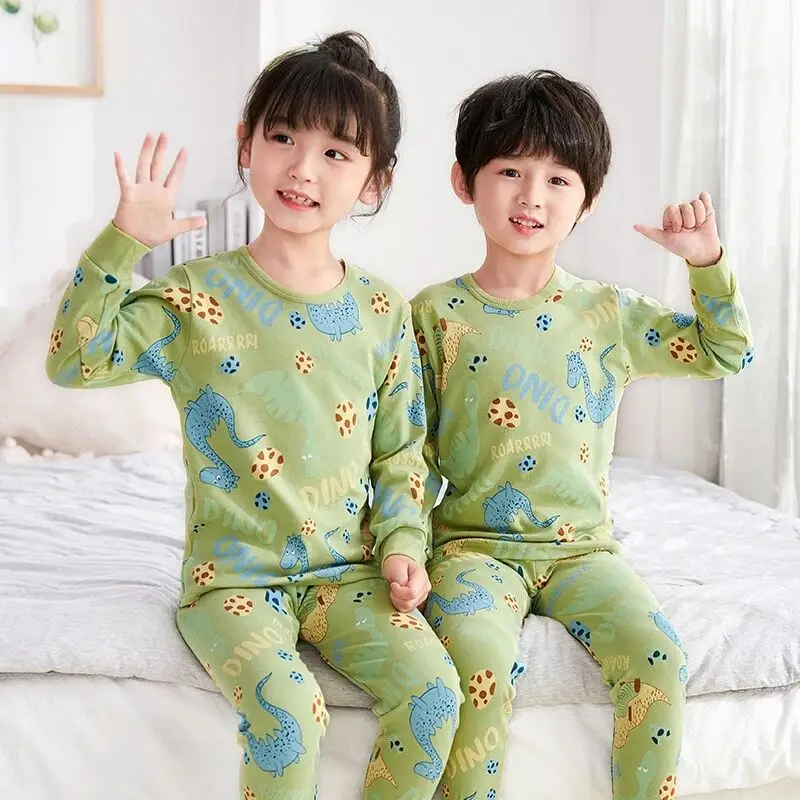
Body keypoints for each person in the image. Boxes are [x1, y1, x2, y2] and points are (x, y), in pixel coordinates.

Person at [46, 31, 461, 800]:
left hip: (347, 576)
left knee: (435, 692)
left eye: (337, 152)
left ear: (375, 181)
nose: (303, 168)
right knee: (290, 716)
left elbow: (402, 455)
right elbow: (74, 358)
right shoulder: (194, 297)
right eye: (283, 138)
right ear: (247, 143)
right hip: (230, 582)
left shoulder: (382, 311)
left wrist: (405, 544)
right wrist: (122, 243)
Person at [411, 69, 753, 800]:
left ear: (587, 201)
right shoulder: (434, 314)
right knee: (476, 668)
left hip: (584, 552)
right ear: (464, 182)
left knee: (659, 659)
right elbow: (406, 450)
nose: (532, 196)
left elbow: (725, 352)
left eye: (558, 179)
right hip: (472, 549)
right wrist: (400, 548)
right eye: (510, 171)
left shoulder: (608, 314)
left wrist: (706, 265)